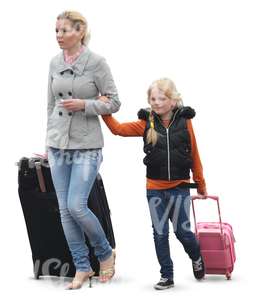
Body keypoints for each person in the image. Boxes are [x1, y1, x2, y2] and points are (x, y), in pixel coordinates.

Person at [99, 78, 207, 290]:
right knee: (159, 233)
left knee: (183, 232)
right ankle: (167, 275)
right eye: (153, 98)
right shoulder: (146, 123)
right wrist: (104, 110)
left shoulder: (185, 121)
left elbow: (194, 153)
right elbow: (118, 129)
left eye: (162, 98)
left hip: (180, 188)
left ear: (173, 100)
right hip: (155, 190)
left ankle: (196, 256)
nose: (156, 102)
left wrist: (200, 183)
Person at [45, 11, 120, 289]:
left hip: (87, 145)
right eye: (56, 31)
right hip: (57, 145)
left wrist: (86, 105)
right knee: (65, 210)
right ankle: (82, 267)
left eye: (64, 31)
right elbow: (50, 105)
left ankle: (104, 253)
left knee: (77, 205)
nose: (58, 36)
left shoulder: (97, 63)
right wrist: (48, 141)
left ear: (80, 31)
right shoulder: (54, 63)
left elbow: (114, 101)